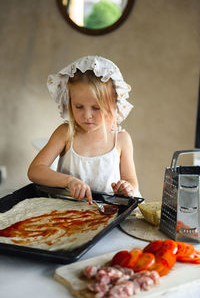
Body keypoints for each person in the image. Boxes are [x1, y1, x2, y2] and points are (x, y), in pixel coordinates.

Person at [28, 55, 140, 204]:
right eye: (79, 106)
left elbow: (132, 182)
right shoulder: (65, 133)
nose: (87, 116)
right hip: (69, 214)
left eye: (96, 108)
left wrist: (126, 188)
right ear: (69, 102)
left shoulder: (121, 139)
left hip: (108, 215)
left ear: (113, 105)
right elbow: (35, 170)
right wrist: (69, 181)